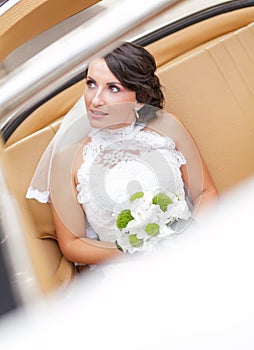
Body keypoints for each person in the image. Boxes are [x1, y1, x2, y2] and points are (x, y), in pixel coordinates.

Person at [26, 42, 218, 266]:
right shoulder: (67, 159)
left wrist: (187, 237)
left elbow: (205, 191)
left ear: (139, 97)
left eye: (113, 88)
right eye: (91, 84)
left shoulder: (168, 127)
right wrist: (138, 250)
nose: (95, 100)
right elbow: (72, 243)